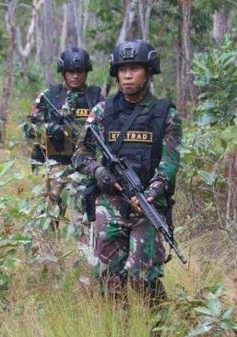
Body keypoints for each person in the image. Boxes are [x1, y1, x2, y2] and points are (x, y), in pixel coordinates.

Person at [72, 40, 182, 303]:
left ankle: (159, 327)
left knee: (143, 277)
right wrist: (99, 171)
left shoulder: (165, 113)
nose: (128, 75)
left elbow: (170, 163)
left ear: (148, 72)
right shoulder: (102, 111)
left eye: (135, 68)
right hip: (109, 203)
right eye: (123, 69)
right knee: (109, 277)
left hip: (148, 206)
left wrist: (152, 193)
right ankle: (119, 327)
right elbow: (80, 154)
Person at [23, 47, 103, 233]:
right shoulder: (49, 96)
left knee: (83, 221)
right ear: (63, 73)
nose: (75, 76)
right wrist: (49, 129)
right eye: (71, 72)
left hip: (84, 168)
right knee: (47, 219)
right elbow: (28, 129)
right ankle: (47, 257)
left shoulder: (95, 98)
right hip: (54, 166)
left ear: (86, 72)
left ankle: (85, 258)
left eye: (80, 72)